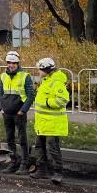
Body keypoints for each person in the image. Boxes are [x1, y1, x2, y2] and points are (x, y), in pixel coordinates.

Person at [28, 57, 70, 185]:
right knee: (39, 146)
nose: (38, 72)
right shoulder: (47, 80)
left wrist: (47, 103)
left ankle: (58, 173)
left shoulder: (56, 82)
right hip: (43, 122)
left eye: (40, 70)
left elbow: (63, 99)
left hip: (53, 123)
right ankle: (42, 170)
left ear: (46, 70)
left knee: (53, 148)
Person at [0, 50, 34, 174]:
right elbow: (0, 93)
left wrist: (23, 110)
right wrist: (0, 108)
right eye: (9, 63)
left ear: (18, 63)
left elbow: (30, 96)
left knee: (22, 139)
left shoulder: (25, 76)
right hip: (6, 112)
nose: (11, 65)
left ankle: (24, 163)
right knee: (9, 138)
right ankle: (13, 162)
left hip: (19, 113)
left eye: (13, 63)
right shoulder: (3, 76)